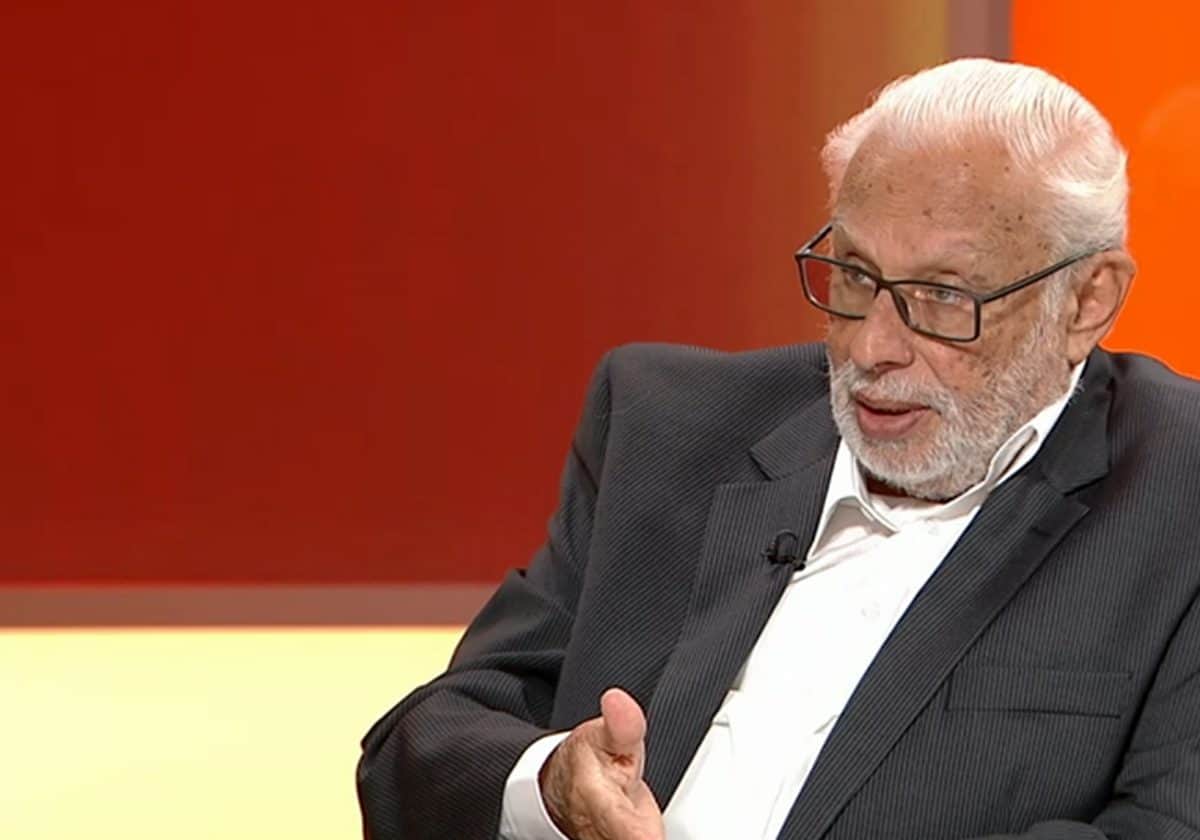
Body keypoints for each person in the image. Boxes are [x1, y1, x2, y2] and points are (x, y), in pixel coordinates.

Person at [357, 59, 1200, 839]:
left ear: (1088, 300)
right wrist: (550, 786)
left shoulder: (1178, 491)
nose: (872, 347)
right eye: (856, 276)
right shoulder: (668, 428)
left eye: (943, 296)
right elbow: (418, 752)